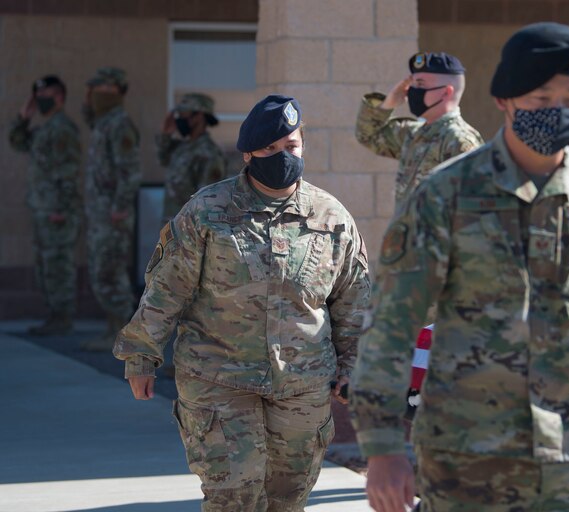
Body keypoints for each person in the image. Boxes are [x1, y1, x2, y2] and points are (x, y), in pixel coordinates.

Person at [351, 23, 569, 512]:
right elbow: (390, 324)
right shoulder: (446, 195)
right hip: (468, 462)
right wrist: (382, 448)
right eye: (543, 98)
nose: (561, 110)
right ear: (505, 101)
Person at [113, 95, 371, 512]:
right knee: (233, 497)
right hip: (219, 378)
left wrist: (353, 366)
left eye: (291, 146)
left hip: (302, 385)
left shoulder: (331, 217)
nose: (283, 156)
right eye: (270, 148)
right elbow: (167, 287)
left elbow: (353, 300)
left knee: (288, 498)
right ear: (248, 154)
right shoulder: (207, 211)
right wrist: (141, 355)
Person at [355, 51, 484, 213]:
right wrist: (389, 103)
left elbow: (474, 206)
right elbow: (368, 135)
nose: (412, 91)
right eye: (413, 84)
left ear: (446, 92)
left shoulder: (459, 140)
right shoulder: (414, 134)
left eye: (421, 85)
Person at [8, 75, 82, 335]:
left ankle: (62, 319)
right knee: (46, 266)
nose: (39, 99)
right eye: (37, 95)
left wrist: (61, 209)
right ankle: (55, 316)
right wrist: (23, 117)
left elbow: (69, 171)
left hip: (56, 211)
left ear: (59, 97)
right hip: (44, 208)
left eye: (45, 94)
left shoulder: (63, 128)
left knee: (58, 265)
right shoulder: (46, 128)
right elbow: (17, 142)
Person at [80, 67, 141, 351]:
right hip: (101, 214)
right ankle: (113, 330)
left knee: (110, 272)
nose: (100, 93)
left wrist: (120, 207)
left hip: (113, 215)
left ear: (120, 91)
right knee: (102, 270)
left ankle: (123, 336)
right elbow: (88, 114)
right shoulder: (103, 122)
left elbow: (130, 172)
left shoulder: (120, 124)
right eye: (97, 88)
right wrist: (88, 97)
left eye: (107, 87)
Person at [157, 92, 227, 221]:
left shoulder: (209, 153)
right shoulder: (182, 147)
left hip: (189, 227)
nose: (179, 119)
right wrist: (165, 135)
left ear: (198, 116)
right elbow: (163, 159)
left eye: (183, 114)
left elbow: (208, 201)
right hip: (172, 223)